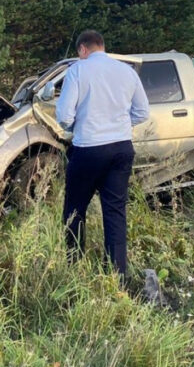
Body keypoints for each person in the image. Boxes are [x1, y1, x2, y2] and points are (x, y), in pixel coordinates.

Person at [55, 30, 149, 279]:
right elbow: (142, 112)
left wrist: (79, 126)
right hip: (121, 148)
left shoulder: (77, 70)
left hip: (88, 148)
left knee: (75, 207)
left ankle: (74, 266)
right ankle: (117, 275)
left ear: (82, 49)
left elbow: (64, 115)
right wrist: (118, 125)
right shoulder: (127, 71)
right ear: (102, 47)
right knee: (115, 210)